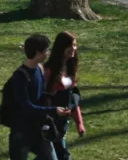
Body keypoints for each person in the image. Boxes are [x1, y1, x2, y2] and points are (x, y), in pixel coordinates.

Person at [7, 34, 71, 160]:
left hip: (38, 129)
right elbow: (27, 107)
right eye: (46, 50)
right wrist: (53, 110)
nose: (48, 53)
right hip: (21, 131)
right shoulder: (20, 77)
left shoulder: (40, 69)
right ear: (38, 53)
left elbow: (40, 96)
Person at [42, 32, 85, 160]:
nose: (73, 49)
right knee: (61, 155)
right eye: (70, 45)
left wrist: (79, 124)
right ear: (61, 47)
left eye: (75, 45)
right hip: (51, 122)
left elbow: (73, 99)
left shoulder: (71, 68)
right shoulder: (48, 71)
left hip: (62, 124)